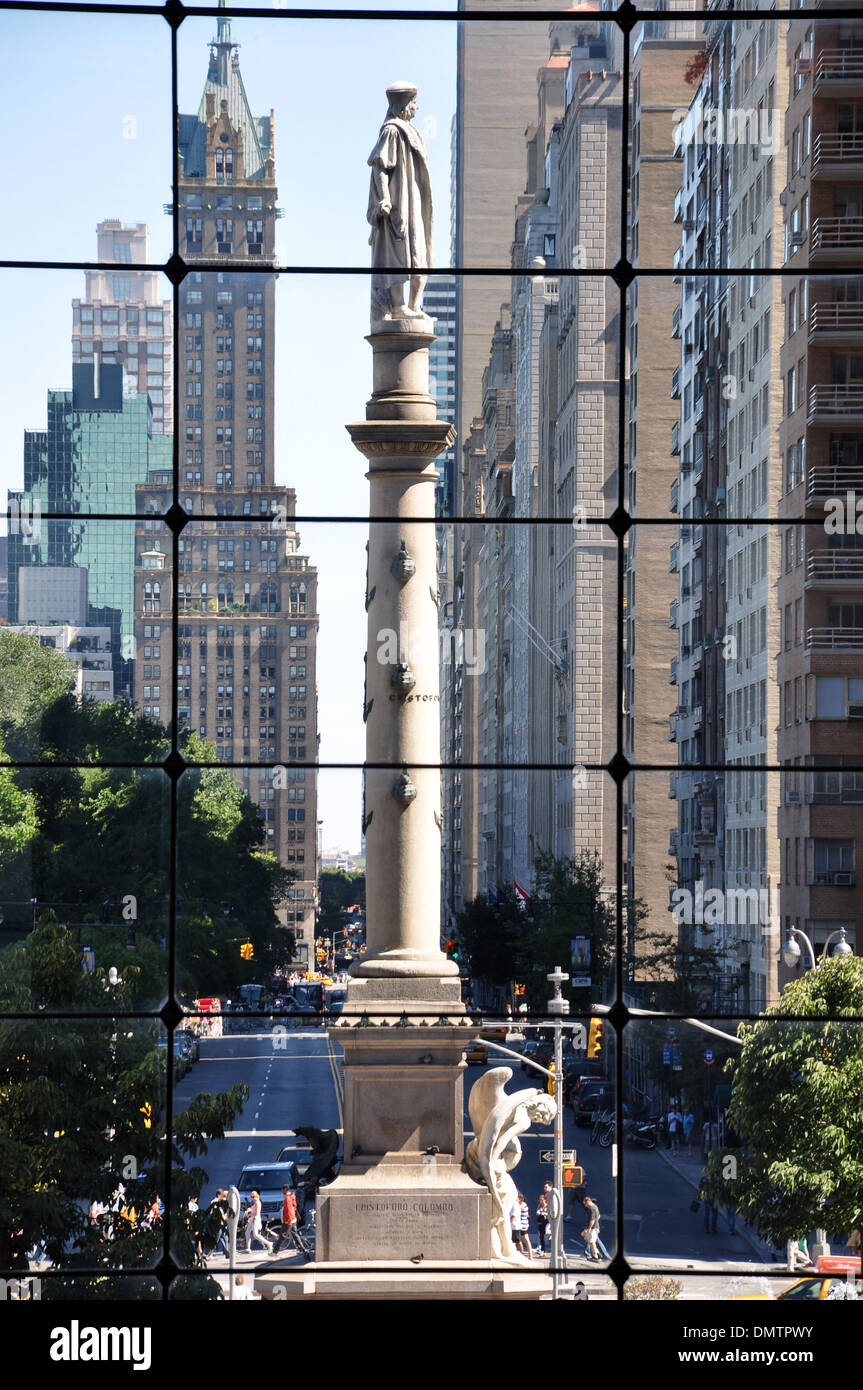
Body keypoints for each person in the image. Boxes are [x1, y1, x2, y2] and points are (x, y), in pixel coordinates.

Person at [367, 81, 433, 321]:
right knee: (398, 254)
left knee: (420, 254)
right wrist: (385, 198)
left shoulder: (412, 131)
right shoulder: (392, 130)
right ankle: (398, 306)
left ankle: (414, 307)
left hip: (414, 200)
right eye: (414, 102)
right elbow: (379, 166)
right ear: (404, 104)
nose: (417, 107)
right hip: (399, 203)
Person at [243, 1190, 272, 1254]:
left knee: (256, 1235)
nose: (252, 1198)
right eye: (251, 1196)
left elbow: (257, 1213)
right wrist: (249, 1210)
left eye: (253, 1196)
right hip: (251, 1219)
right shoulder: (254, 1202)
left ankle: (269, 1243)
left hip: (255, 1219)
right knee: (247, 1233)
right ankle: (248, 1248)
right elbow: (252, 1209)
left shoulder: (257, 1202)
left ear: (257, 1196)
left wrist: (249, 1214)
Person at [272, 1185, 300, 1254]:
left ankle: (275, 1251)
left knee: (282, 1236)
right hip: (293, 1218)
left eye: (282, 1190)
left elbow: (288, 1210)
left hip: (288, 1220)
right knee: (295, 1235)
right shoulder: (292, 1196)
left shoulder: (287, 1199)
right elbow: (294, 1206)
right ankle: (302, 1249)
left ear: (285, 1189)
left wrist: (288, 1221)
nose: (282, 1191)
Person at [581, 1195, 602, 1262]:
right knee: (589, 1240)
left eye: (585, 1204)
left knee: (591, 1242)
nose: (585, 1206)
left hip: (593, 1228)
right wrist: (597, 1223)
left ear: (588, 1201)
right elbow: (598, 1216)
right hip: (595, 1227)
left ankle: (595, 1256)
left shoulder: (592, 1208)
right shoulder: (595, 1206)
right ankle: (598, 1253)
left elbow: (592, 1219)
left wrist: (589, 1228)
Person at [536, 1183, 552, 1255]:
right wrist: (540, 1212)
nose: (540, 1201)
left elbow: (551, 1213)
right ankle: (543, 1250)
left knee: (547, 1236)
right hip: (541, 1222)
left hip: (547, 1222)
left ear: (545, 1200)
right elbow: (537, 1211)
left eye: (542, 1200)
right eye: (540, 1200)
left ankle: (551, 1250)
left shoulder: (548, 1206)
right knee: (541, 1236)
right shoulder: (540, 1205)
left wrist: (544, 1213)